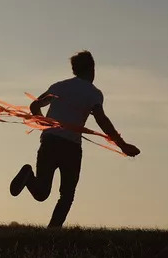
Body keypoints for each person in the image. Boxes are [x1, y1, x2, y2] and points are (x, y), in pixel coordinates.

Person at [10, 50, 140, 228]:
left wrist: (44, 122)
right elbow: (101, 119)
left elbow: (34, 105)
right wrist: (122, 144)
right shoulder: (94, 93)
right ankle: (53, 231)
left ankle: (27, 175)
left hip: (49, 142)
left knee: (41, 192)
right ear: (92, 69)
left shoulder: (59, 86)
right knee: (67, 194)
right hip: (70, 147)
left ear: (74, 70)